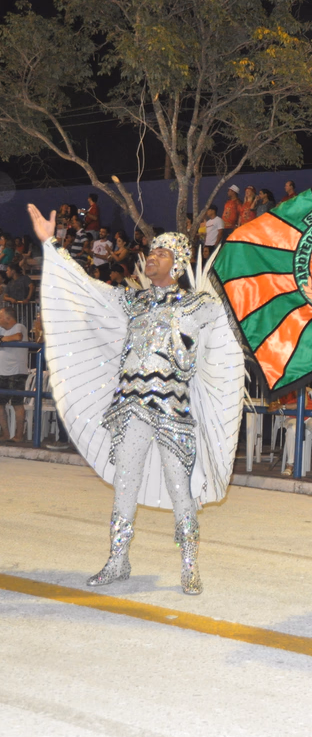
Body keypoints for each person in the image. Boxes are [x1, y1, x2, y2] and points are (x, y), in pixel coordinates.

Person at [27, 203, 245, 595]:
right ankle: (118, 559)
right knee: (124, 485)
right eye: (152, 252)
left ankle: (189, 565)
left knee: (182, 491)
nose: (152, 258)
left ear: (177, 264)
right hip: (129, 409)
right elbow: (88, 290)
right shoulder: (133, 302)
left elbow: (236, 333)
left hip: (173, 412)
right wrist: (52, 246)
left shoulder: (201, 307)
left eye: (161, 253)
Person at [269, 387, 312, 476]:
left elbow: (303, 404)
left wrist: (283, 406)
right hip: (293, 416)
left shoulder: (298, 382)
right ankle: (290, 464)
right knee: (291, 430)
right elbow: (274, 404)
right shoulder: (278, 386)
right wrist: (274, 406)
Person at [0, 306, 29, 442]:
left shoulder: (19, 326)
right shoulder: (2, 329)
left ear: (8, 318)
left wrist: (2, 339)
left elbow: (18, 337)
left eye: (0, 316)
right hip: (2, 372)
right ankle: (6, 434)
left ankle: (19, 436)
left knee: (17, 404)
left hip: (17, 372)